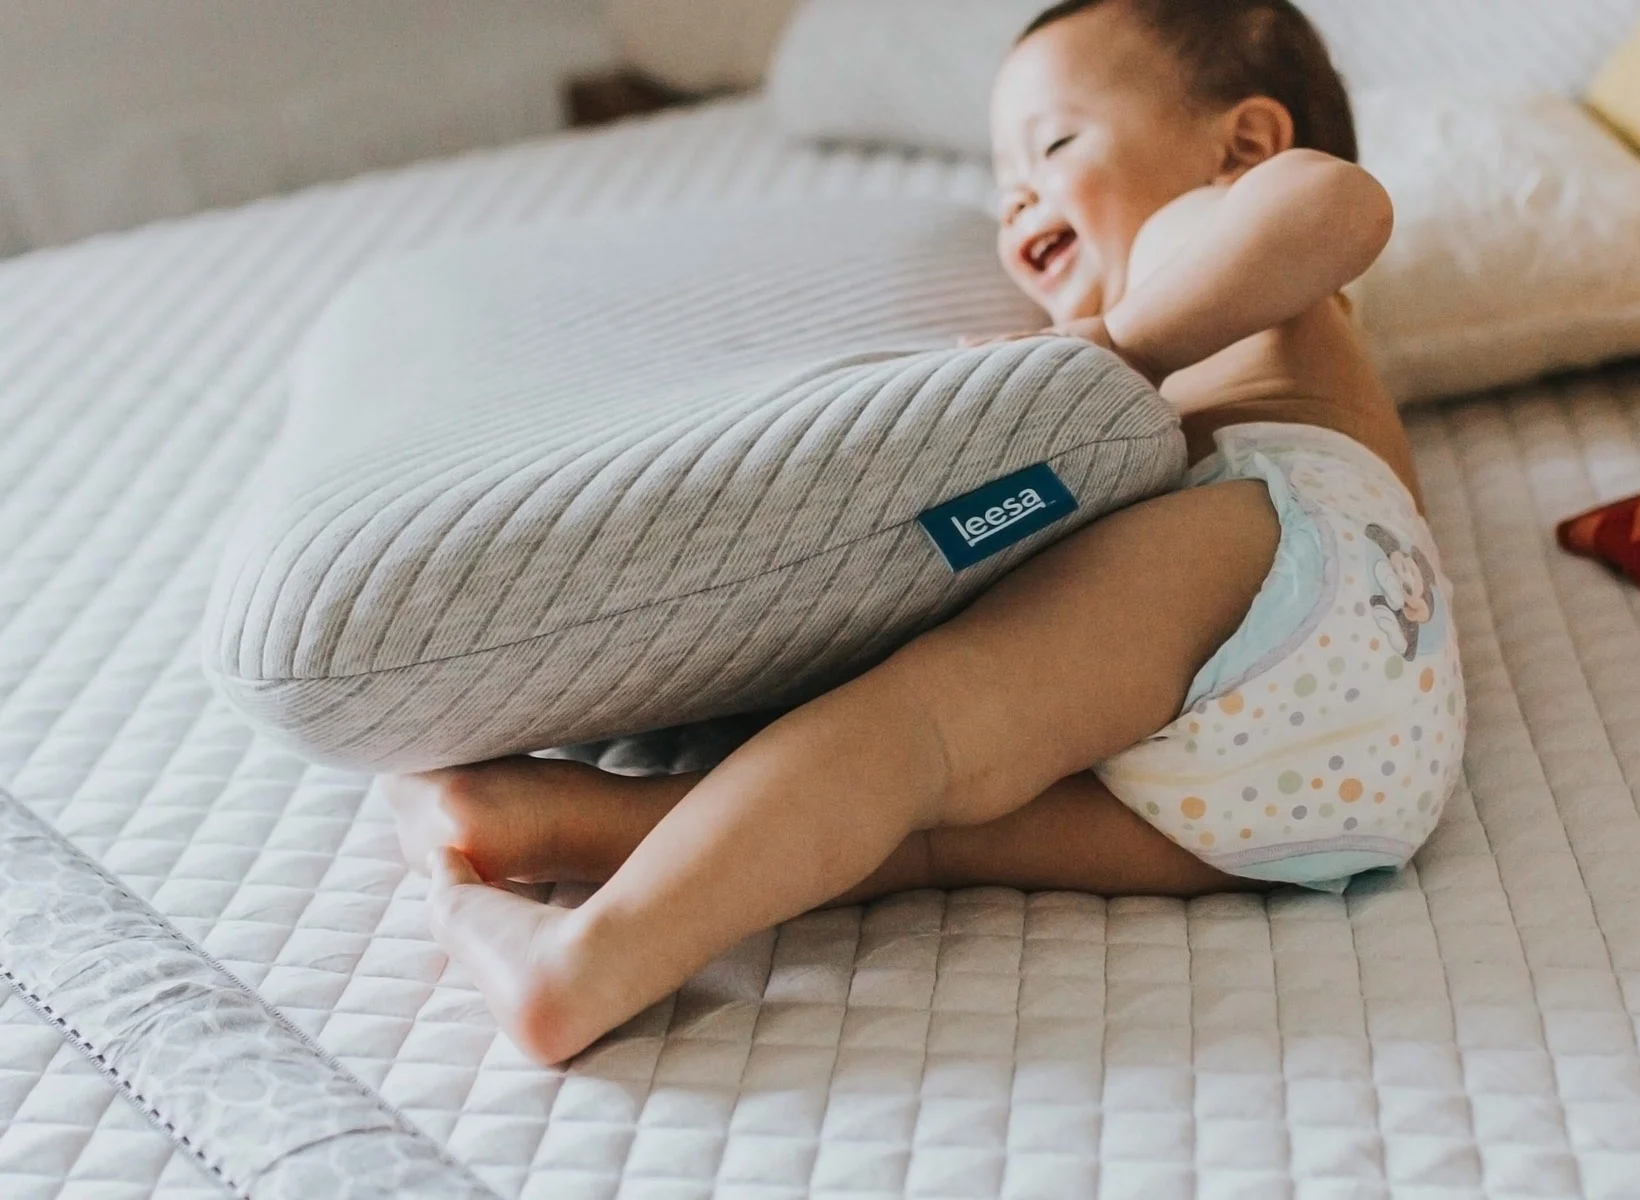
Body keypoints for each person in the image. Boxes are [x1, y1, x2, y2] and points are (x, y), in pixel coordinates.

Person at [384, 0, 1465, 1066]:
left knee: (919, 737)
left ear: (1245, 139)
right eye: (1003, 183)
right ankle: (559, 824)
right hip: (1361, 788)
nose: (1019, 198)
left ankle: (589, 964)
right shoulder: (1290, 328)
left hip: (1290, 548)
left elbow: (1344, 206)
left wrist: (1123, 338)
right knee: (926, 833)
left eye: (1054, 144)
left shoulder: (1222, 222)